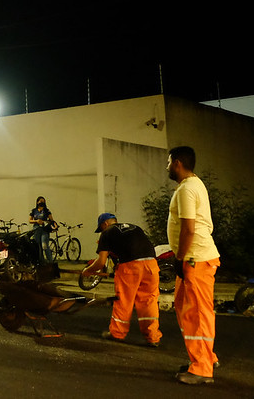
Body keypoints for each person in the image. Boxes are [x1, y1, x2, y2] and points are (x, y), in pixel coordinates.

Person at [167, 146, 221, 385]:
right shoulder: (194, 185)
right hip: (194, 257)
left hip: (195, 258)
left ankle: (201, 368)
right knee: (184, 308)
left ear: (177, 163)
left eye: (168, 162)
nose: (166, 166)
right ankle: (204, 357)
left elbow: (189, 228)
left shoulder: (188, 189)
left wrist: (179, 258)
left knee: (197, 313)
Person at [82, 213, 161, 347]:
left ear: (104, 224)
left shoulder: (107, 232)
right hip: (151, 265)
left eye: (100, 228)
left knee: (123, 300)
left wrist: (87, 271)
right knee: (148, 300)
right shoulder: (134, 227)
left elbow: (101, 262)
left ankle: (117, 333)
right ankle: (153, 337)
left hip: (131, 267)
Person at [29, 196, 58, 263]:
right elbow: (30, 220)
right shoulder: (34, 211)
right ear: (37, 202)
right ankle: (41, 261)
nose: (42, 203)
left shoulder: (47, 211)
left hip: (44, 230)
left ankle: (50, 262)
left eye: (43, 202)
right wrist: (36, 221)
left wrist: (46, 222)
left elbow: (51, 220)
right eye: (41, 201)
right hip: (36, 230)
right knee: (37, 246)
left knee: (44, 245)